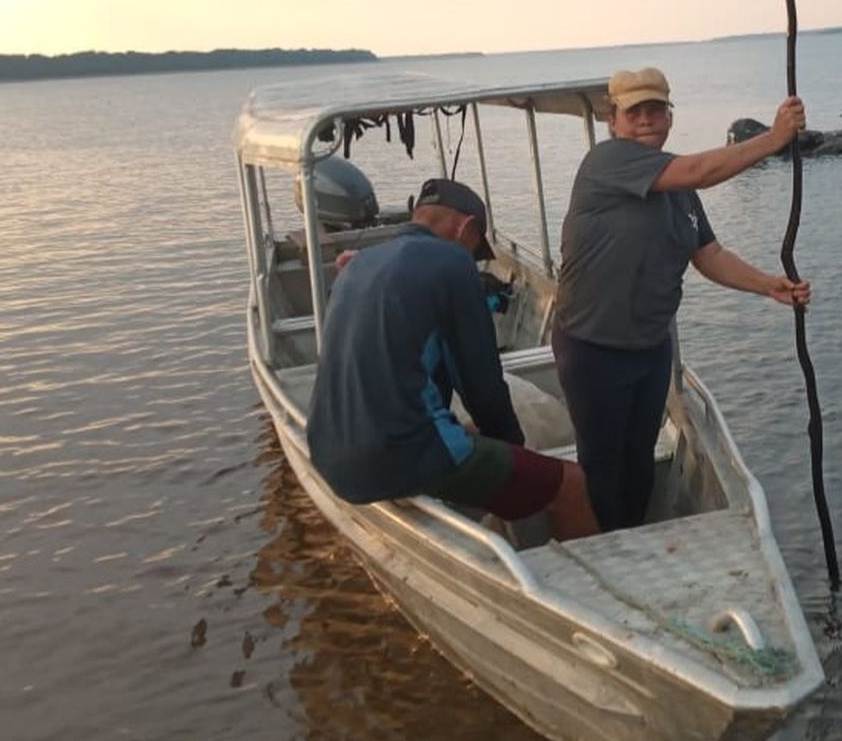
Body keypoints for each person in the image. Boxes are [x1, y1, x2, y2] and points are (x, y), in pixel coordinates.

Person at [553, 67, 813, 532]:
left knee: (639, 458)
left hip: (650, 347)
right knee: (603, 464)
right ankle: (608, 543)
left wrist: (767, 284)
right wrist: (774, 139)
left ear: (669, 117)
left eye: (656, 110)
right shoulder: (606, 162)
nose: (646, 120)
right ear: (613, 121)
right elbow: (700, 170)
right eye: (634, 112)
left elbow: (709, 254)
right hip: (593, 347)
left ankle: (634, 534)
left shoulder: (679, 192)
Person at [307, 177, 599, 540]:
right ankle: (591, 570)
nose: (473, 260)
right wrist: (515, 452)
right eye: (476, 250)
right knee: (571, 483)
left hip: (326, 453)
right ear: (466, 229)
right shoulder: (453, 263)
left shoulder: (357, 264)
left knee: (469, 434)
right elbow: (481, 385)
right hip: (396, 455)